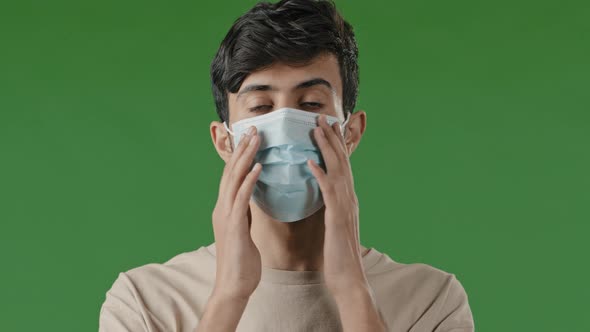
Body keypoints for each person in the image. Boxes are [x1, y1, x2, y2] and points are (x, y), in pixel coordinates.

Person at [99, 0, 475, 331]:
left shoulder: (431, 301)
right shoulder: (146, 303)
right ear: (224, 141)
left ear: (350, 132)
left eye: (311, 103)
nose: (284, 125)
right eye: (261, 107)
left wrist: (352, 289)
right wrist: (229, 295)